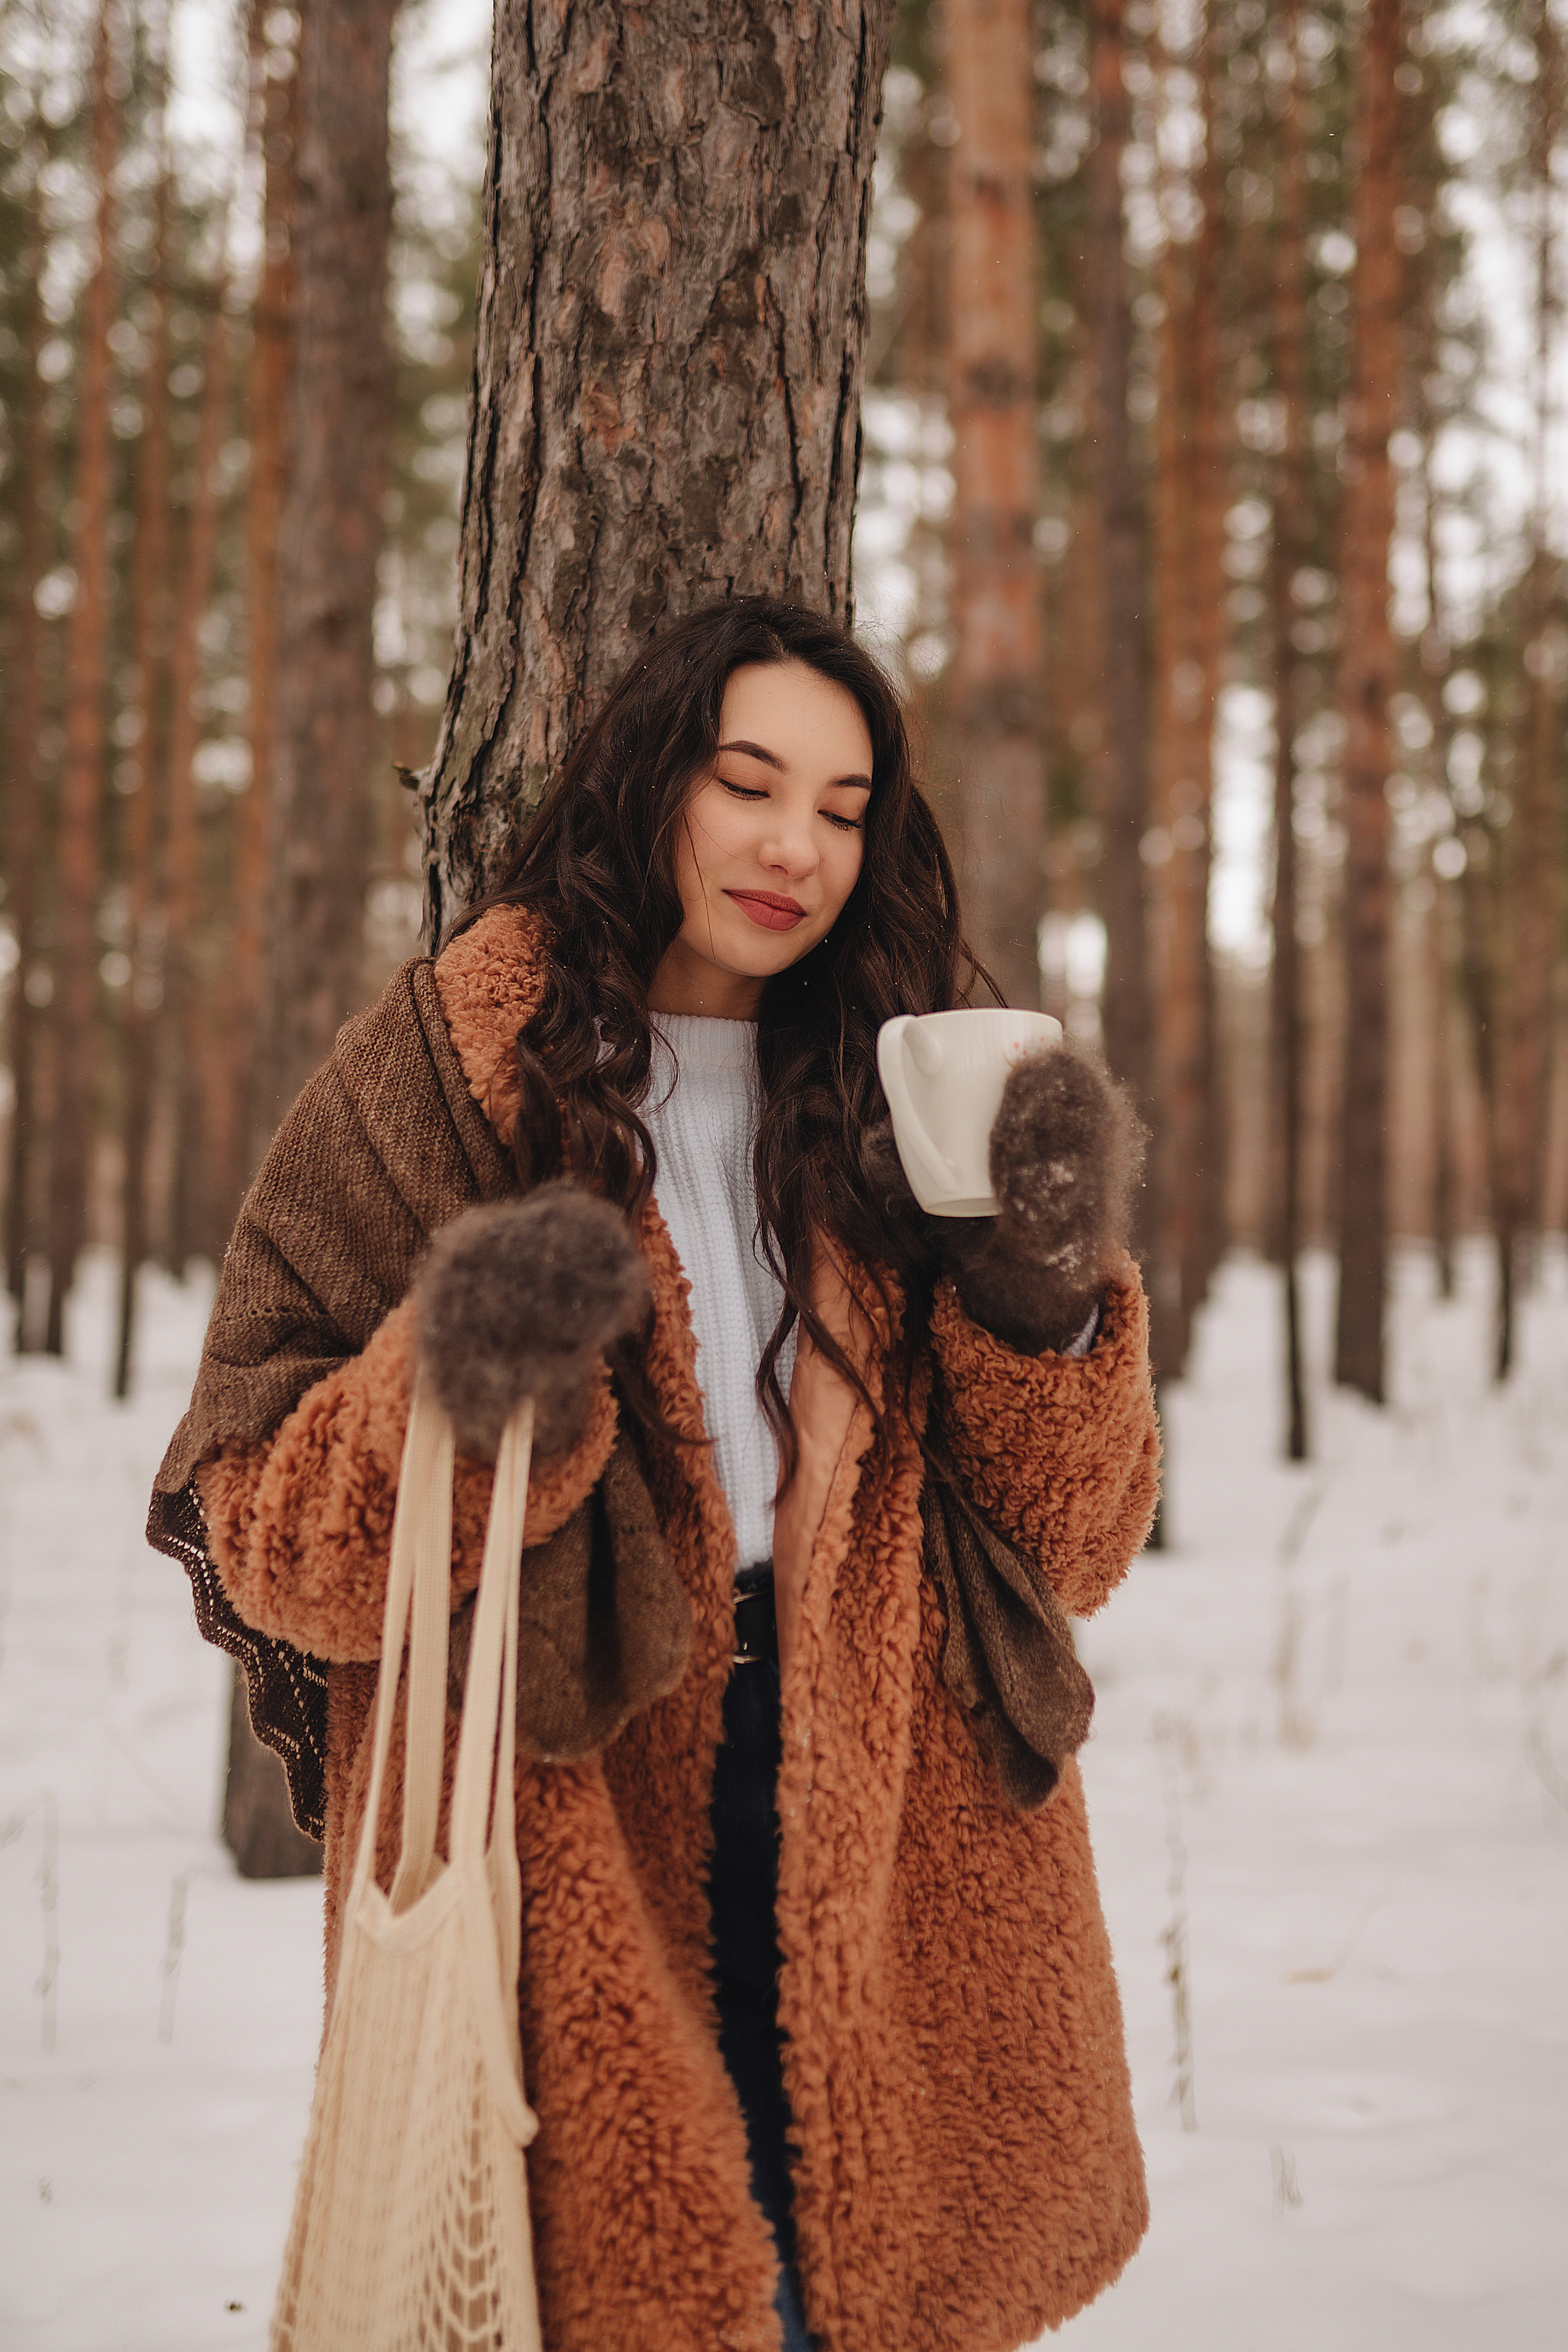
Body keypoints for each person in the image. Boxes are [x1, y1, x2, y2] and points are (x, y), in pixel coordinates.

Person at [151, 596, 1159, 2352]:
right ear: (651, 780)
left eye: (845, 807)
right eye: (748, 781)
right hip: (577, 1832)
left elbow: (1074, 1541)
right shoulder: (443, 1074)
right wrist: (454, 1385)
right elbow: (264, 1531)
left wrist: (1042, 1290)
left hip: (901, 1834)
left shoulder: (897, 1086)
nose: (795, 846)